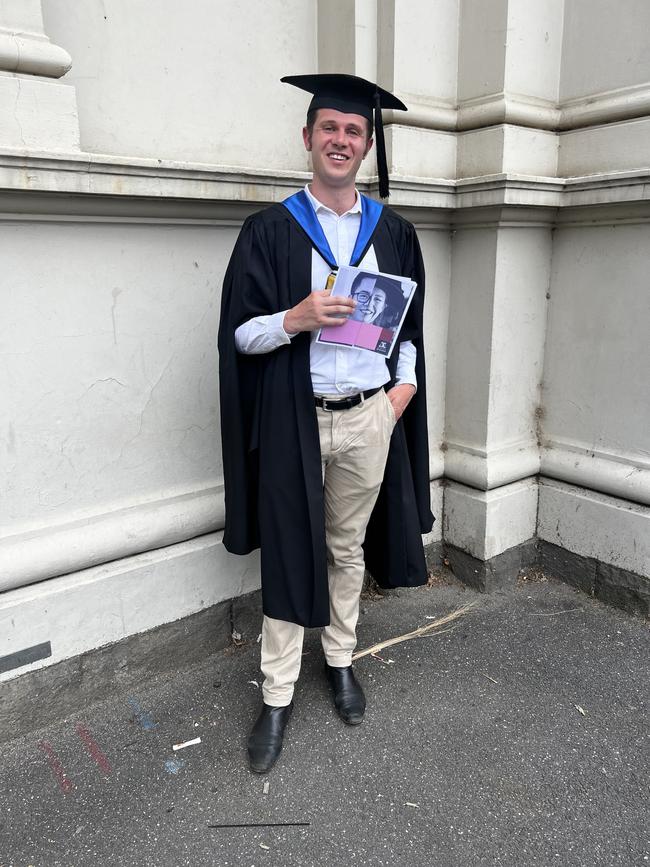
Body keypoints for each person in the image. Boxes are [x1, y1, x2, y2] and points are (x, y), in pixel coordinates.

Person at [218, 73, 434, 774]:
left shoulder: (393, 233)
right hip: (294, 420)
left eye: (354, 131)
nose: (341, 141)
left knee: (346, 549)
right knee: (288, 549)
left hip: (368, 418)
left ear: (367, 146)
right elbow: (238, 338)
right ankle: (277, 692)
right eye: (329, 129)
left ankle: (340, 658)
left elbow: (409, 328)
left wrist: (400, 394)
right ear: (307, 138)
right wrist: (297, 318)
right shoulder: (271, 232)